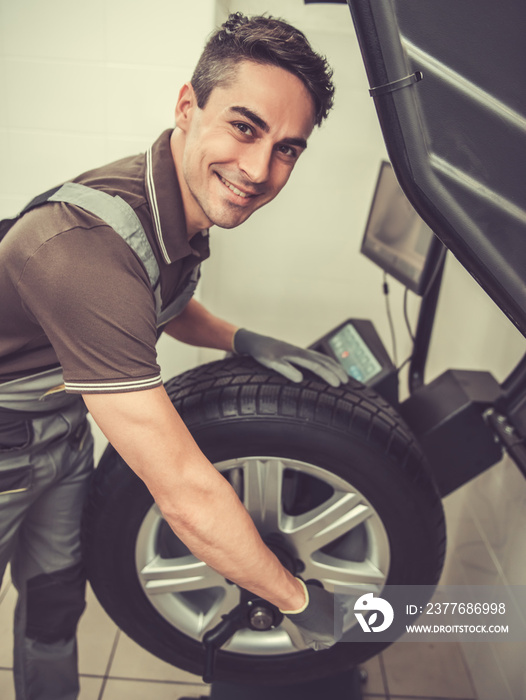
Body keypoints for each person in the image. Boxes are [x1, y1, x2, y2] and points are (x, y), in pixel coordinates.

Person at [0, 12, 347, 700]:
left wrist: (237, 337)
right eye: (244, 128)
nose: (259, 170)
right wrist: (304, 604)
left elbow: (153, 302)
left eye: (287, 149)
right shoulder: (81, 250)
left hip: (61, 436)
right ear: (188, 105)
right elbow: (185, 494)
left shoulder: (173, 203)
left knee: (54, 601)